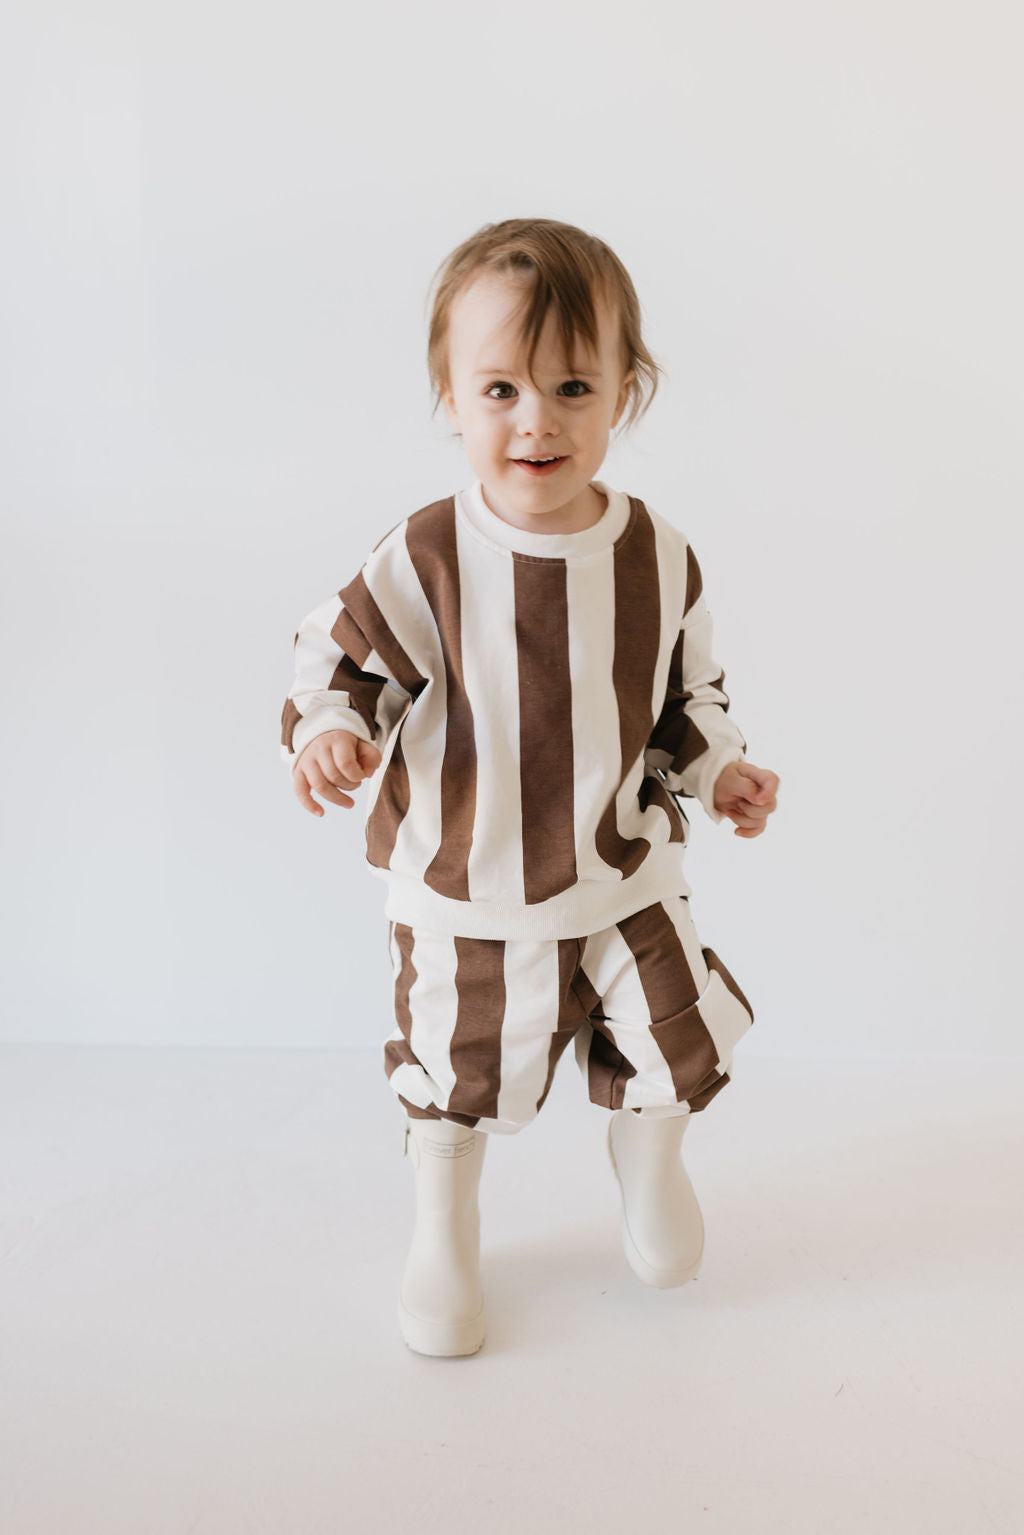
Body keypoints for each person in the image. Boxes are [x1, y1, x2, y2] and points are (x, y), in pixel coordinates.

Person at [280, 218, 780, 1359]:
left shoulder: (658, 553)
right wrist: (331, 732)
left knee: (675, 1034)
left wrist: (722, 766)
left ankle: (647, 1153)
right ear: (450, 395)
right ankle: (443, 1223)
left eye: (570, 385)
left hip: (620, 875)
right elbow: (341, 661)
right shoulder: (425, 555)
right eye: (500, 387)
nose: (535, 420)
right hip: (470, 887)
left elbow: (686, 695)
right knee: (456, 1082)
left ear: (623, 394)